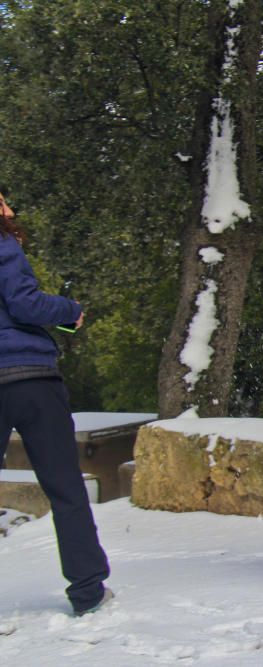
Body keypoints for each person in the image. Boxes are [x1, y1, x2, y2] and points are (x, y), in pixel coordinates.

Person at [0, 185, 112, 616]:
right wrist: (69, 310)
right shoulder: (4, 243)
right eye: (1, 202)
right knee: (65, 487)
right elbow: (24, 303)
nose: (9, 209)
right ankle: (87, 591)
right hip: (30, 380)